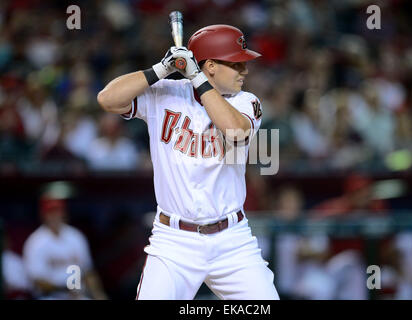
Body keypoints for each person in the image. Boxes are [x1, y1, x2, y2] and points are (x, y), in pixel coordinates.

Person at [97, 24, 279, 300]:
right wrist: (161, 69)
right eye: (236, 64)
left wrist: (196, 76)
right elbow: (107, 99)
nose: (245, 70)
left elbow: (235, 131)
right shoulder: (165, 92)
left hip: (232, 240)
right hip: (174, 241)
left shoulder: (246, 101)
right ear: (211, 66)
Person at [22, 194, 107, 300]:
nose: (55, 215)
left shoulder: (76, 236)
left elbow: (88, 272)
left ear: (64, 213)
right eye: (50, 212)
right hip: (50, 296)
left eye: (57, 211)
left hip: (77, 296)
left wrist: (99, 294)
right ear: (43, 214)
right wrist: (66, 289)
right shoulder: (35, 241)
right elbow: (38, 282)